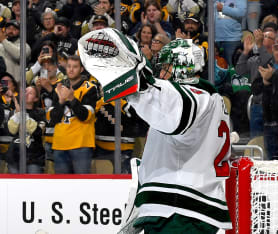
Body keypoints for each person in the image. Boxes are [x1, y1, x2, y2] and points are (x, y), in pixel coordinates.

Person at [79, 28, 231, 233]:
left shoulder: (195, 97)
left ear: (180, 67)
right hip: (180, 209)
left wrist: (138, 80)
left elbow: (167, 103)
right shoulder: (211, 100)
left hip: (180, 212)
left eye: (165, 67)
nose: (161, 73)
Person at [49, 55, 98, 174]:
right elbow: (52, 119)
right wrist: (60, 102)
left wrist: (71, 99)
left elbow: (85, 116)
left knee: (82, 187)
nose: (71, 69)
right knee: (62, 188)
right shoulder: (58, 88)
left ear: (81, 69)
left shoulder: (89, 88)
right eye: (69, 66)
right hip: (60, 144)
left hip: (81, 145)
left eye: (75, 67)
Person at [6, 86, 46, 174]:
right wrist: (18, 114)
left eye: (30, 93)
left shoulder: (40, 113)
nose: (26, 94)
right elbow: (11, 131)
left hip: (34, 157)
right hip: (15, 156)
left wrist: (22, 114)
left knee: (33, 185)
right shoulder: (13, 112)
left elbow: (38, 132)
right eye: (25, 91)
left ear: (35, 99)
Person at [214, 0, 247, 65]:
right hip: (215, 39)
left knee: (232, 68)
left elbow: (242, 12)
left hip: (232, 40)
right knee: (216, 69)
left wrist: (223, 8)